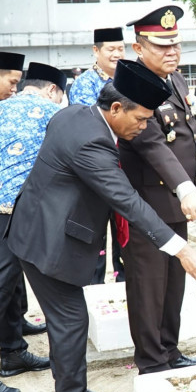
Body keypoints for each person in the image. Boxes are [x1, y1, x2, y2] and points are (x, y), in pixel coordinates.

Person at [7, 60, 196, 392]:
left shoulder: (75, 115)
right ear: (116, 108)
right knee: (71, 323)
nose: (145, 126)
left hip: (38, 229)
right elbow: (129, 202)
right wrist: (182, 250)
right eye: (141, 119)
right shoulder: (93, 144)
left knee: (67, 322)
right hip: (48, 241)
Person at [120, 5, 196, 375]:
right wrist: (186, 187)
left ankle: (169, 350)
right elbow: (153, 143)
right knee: (148, 287)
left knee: (173, 285)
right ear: (139, 48)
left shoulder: (176, 80)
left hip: (174, 205)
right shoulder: (131, 85)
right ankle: (152, 361)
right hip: (147, 206)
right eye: (162, 46)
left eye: (175, 44)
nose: (172, 52)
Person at [0, 62, 62, 392]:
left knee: (8, 283)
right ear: (53, 90)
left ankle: (12, 352)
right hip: (9, 211)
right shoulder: (49, 112)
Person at [0, 52, 46, 337]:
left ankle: (14, 336)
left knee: (10, 273)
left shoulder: (1, 107)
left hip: (3, 206)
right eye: (13, 83)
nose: (15, 91)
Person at [69, 27, 127, 284]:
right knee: (95, 236)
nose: (117, 54)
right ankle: (93, 289)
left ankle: (125, 282)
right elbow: (87, 127)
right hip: (97, 168)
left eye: (121, 49)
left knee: (126, 232)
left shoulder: (129, 78)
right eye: (110, 49)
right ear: (96, 51)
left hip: (127, 167)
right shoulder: (85, 83)